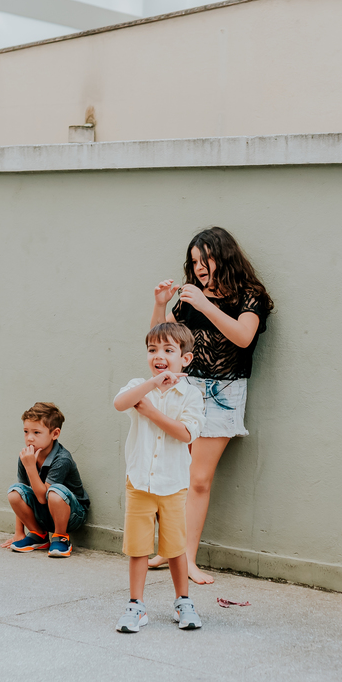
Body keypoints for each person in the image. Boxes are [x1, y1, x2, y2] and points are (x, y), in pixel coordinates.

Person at [148, 227, 273, 584]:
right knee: (175, 474)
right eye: (194, 262)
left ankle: (187, 559)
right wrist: (160, 304)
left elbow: (243, 336)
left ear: (224, 256)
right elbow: (163, 341)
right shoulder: (191, 297)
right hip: (185, 388)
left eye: (205, 260)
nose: (199, 268)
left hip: (223, 392)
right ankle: (170, 550)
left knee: (198, 479)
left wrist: (205, 304)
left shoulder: (251, 296)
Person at [113, 322, 206, 632]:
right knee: (138, 548)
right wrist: (151, 385)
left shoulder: (190, 395)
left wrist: (152, 412)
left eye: (168, 350)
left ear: (185, 359)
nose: (159, 356)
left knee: (175, 548)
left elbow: (185, 433)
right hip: (139, 482)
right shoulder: (140, 385)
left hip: (173, 484)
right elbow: (120, 403)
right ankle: (136, 605)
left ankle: (183, 601)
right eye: (153, 350)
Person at [1, 403, 89, 558]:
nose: (29, 438)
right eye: (26, 431)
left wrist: (31, 468)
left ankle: (60, 537)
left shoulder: (62, 459)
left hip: (72, 515)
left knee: (54, 492)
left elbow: (43, 497)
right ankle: (38, 535)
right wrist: (19, 532)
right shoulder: (26, 457)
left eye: (36, 432)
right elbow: (23, 493)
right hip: (45, 515)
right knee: (15, 492)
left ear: (54, 434)